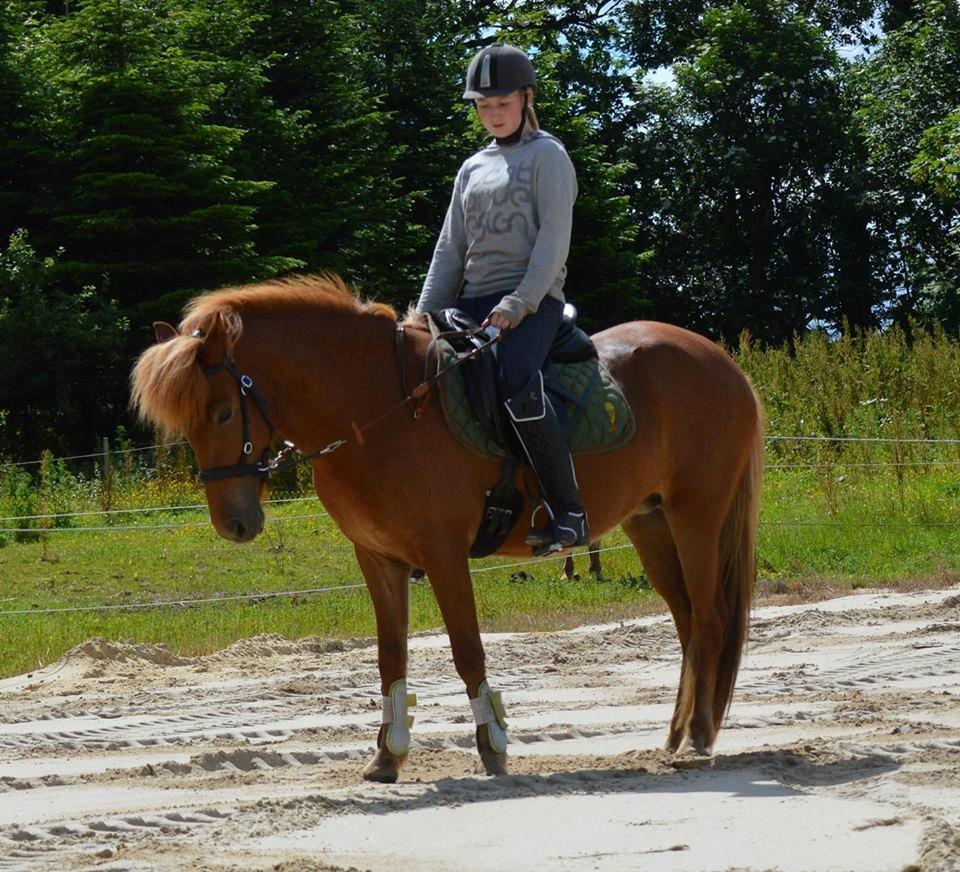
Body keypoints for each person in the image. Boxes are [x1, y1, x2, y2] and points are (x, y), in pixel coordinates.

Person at [416, 43, 589, 552]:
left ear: (526, 98)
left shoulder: (549, 157)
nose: (493, 114)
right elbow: (450, 247)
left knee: (515, 381)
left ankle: (569, 511)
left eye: (502, 104)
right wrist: (424, 312)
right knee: (426, 381)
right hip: (469, 302)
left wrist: (517, 304)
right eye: (484, 106)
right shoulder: (471, 168)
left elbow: (553, 243)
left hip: (533, 301)